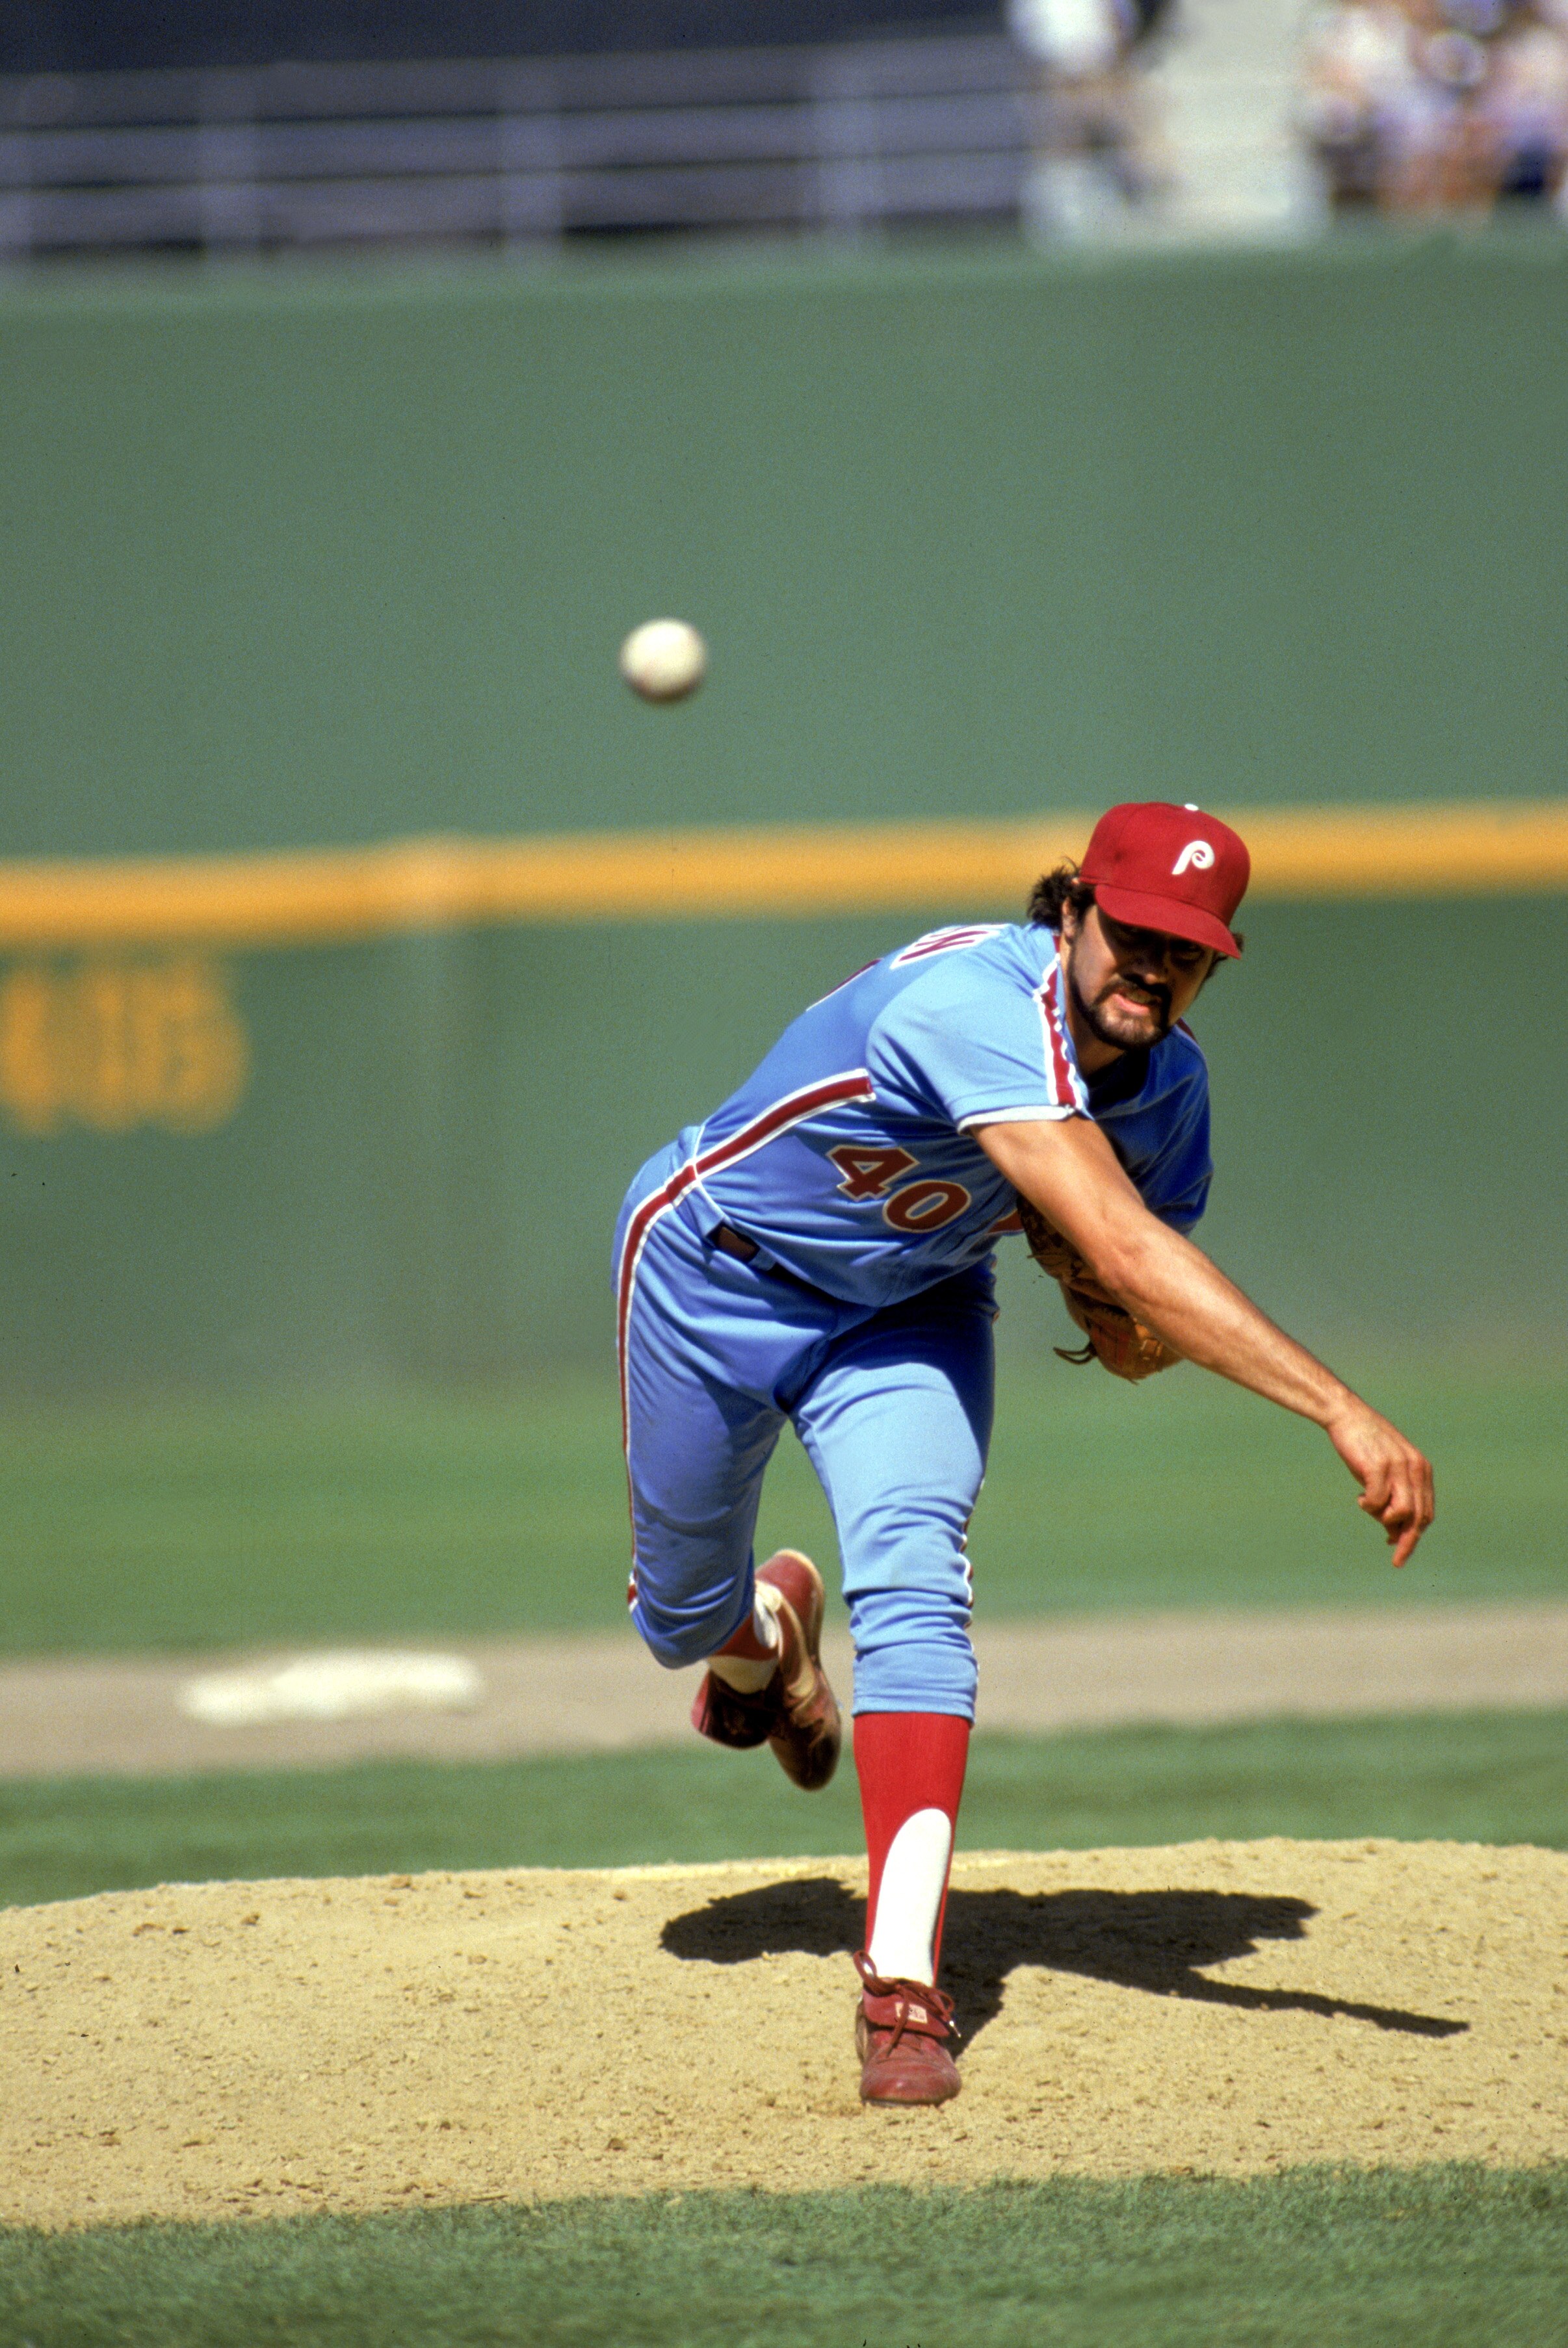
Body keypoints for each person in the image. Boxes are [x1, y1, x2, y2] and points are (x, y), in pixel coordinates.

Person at [612, 800, 1433, 2107]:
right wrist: (1334, 1402)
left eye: (1192, 948)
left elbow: (1131, 1328)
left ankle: (902, 1985)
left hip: (909, 1314)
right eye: (1137, 934)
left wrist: (1113, 1316)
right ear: (1072, 913)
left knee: (918, 1579)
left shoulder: (1170, 1097)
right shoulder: (974, 1000)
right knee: (680, 1626)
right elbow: (1122, 1247)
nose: (1157, 967)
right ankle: (765, 1631)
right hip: (714, 1272)